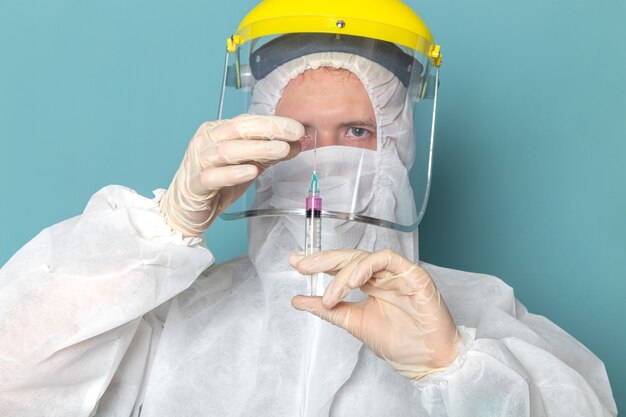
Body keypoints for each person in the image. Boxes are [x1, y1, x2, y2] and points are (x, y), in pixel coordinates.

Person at [0, 0, 617, 416]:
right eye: (295, 133)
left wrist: (454, 369)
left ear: (399, 149)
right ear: (254, 149)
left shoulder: (477, 318)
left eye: (355, 133)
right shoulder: (175, 321)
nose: (321, 160)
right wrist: (162, 226)